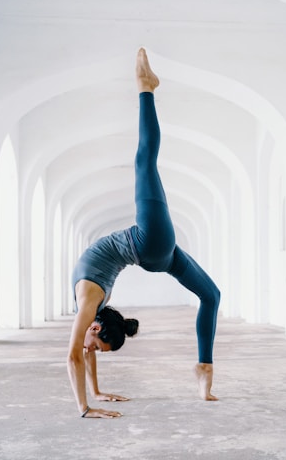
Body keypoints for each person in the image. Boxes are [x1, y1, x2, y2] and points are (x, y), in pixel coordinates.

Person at [67, 48, 221, 419]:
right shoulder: (93, 312)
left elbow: (73, 354)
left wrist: (87, 405)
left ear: (96, 326)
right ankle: (145, 88)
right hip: (152, 246)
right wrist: (95, 396)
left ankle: (145, 88)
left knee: (211, 295)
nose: (92, 350)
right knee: (144, 162)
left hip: (152, 246)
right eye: (100, 348)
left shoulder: (89, 301)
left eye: (97, 347)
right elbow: (84, 350)